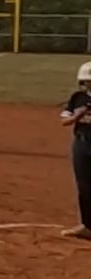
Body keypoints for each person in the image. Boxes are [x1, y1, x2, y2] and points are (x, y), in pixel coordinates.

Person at [59, 62, 91, 241]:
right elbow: (65, 121)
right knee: (84, 187)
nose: (88, 85)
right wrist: (78, 115)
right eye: (86, 82)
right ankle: (88, 226)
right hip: (82, 144)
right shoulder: (78, 98)